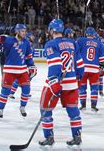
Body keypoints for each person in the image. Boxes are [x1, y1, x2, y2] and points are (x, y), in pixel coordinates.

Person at [38, 20, 85, 148]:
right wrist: (79, 78)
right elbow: (80, 64)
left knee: (44, 109)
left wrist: (53, 82)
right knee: (73, 110)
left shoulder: (50, 44)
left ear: (52, 30)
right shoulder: (72, 43)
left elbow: (55, 64)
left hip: (57, 82)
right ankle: (77, 137)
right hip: (71, 83)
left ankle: (49, 137)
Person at [0, 24, 36, 118]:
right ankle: (1, 109)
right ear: (17, 31)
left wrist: (31, 65)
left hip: (22, 70)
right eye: (22, 31)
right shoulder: (8, 40)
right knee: (5, 91)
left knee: (26, 89)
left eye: (24, 31)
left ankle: (22, 107)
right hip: (9, 69)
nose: (24, 33)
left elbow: (28, 56)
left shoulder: (26, 42)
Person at [76, 27, 104, 112]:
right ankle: (93, 106)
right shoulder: (99, 43)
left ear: (86, 33)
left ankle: (83, 105)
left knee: (82, 88)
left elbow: (75, 52)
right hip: (94, 69)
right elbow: (103, 58)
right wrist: (101, 67)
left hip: (83, 68)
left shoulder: (81, 40)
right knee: (94, 88)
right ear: (94, 34)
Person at [9, 32, 36, 99]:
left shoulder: (27, 43)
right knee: (20, 79)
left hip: (25, 63)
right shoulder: (26, 43)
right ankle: (11, 93)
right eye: (32, 36)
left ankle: (25, 92)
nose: (33, 37)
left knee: (27, 78)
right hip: (23, 64)